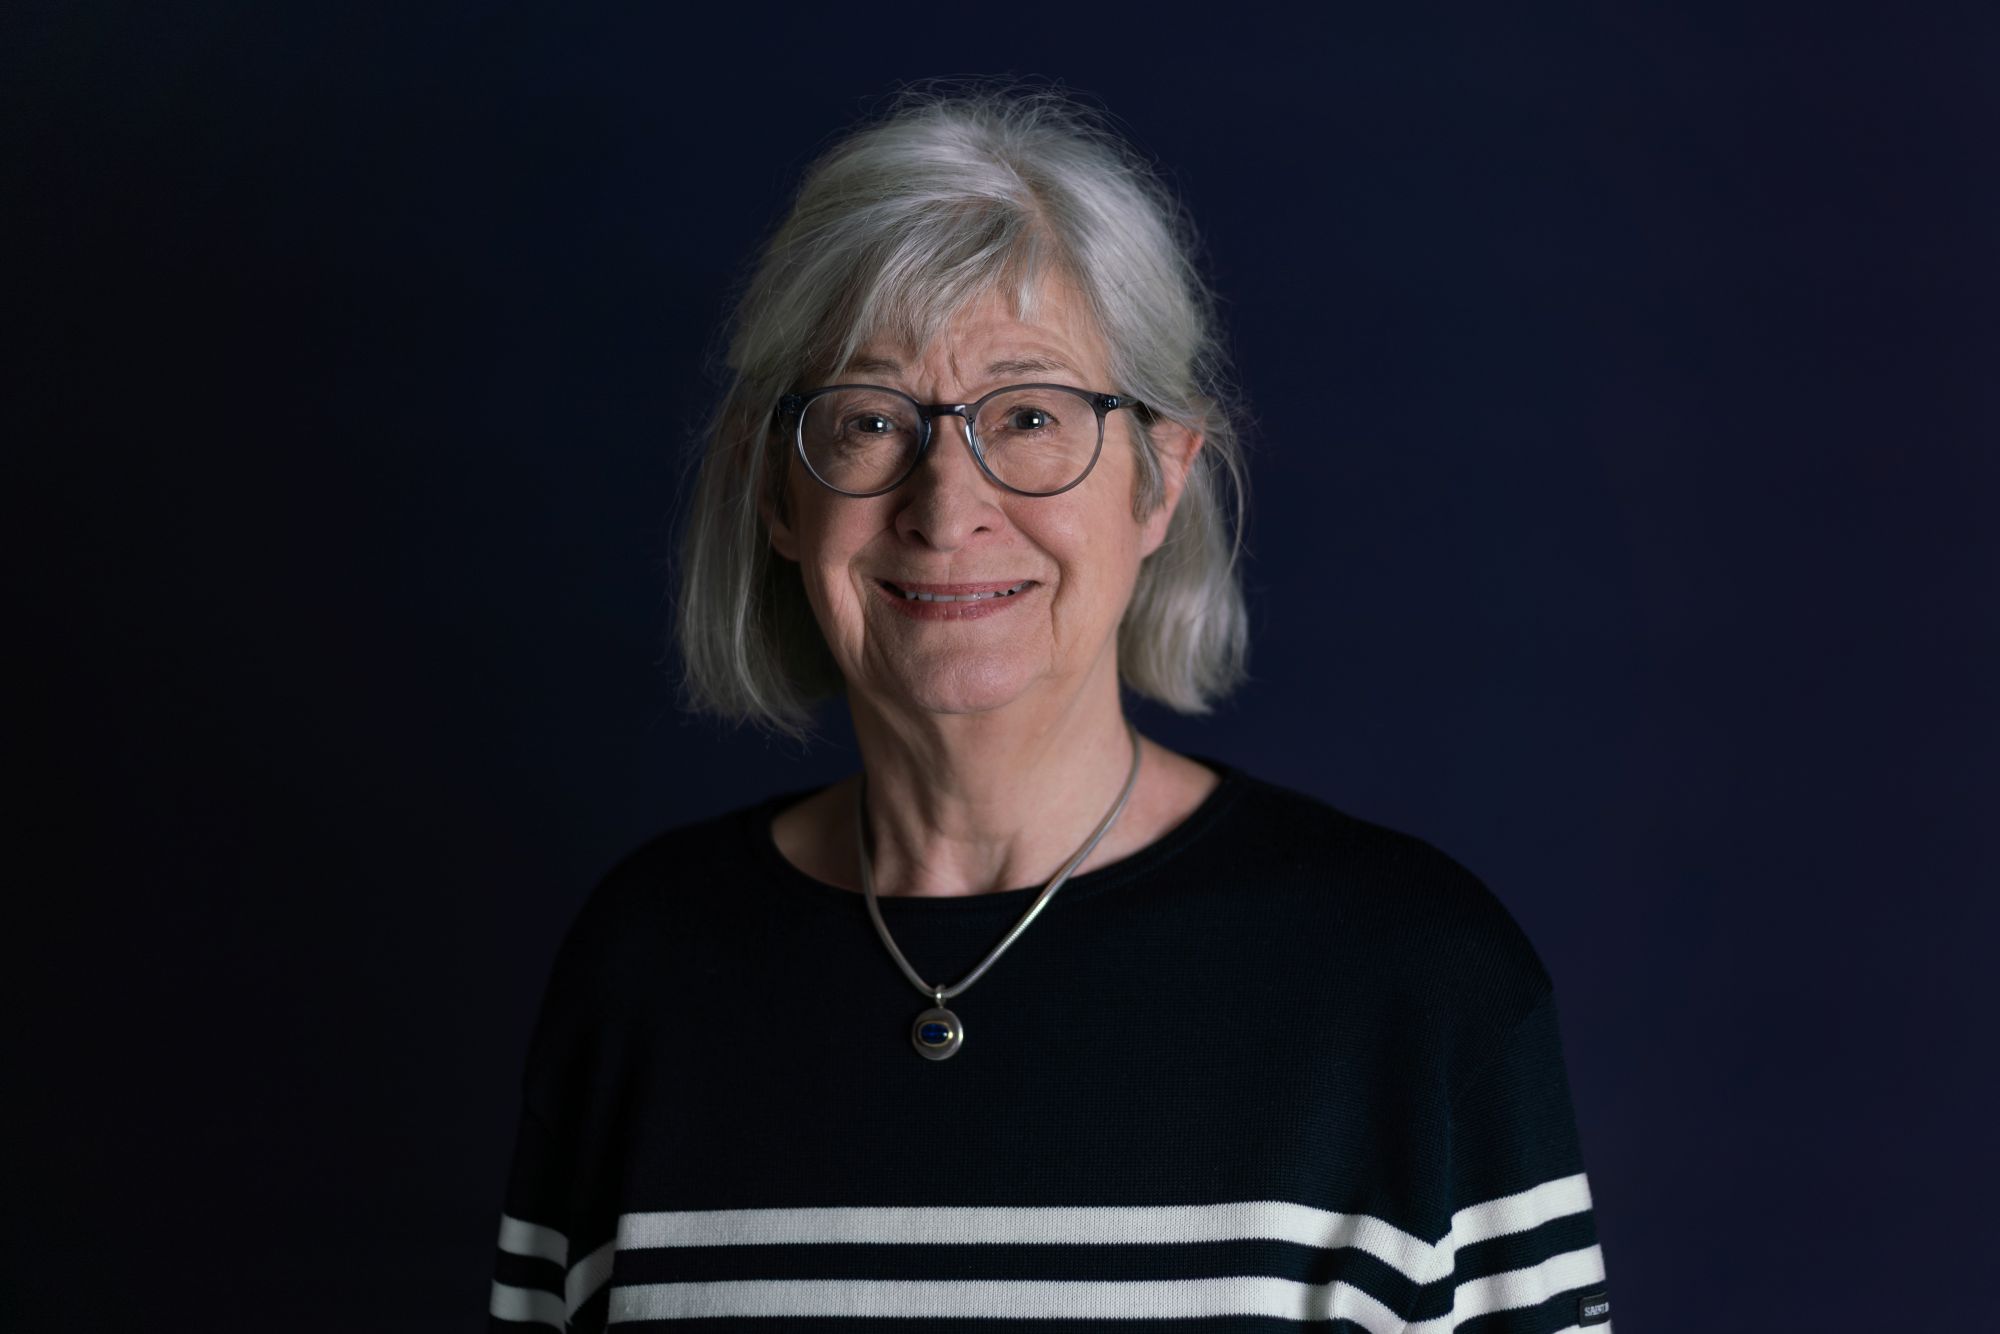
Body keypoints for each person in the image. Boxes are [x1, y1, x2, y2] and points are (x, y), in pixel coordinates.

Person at [487, 84, 1613, 1333]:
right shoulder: (642, 971)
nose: (944, 506)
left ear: (1159, 481)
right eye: (870, 420)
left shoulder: (1416, 986)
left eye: (1028, 416)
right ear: (776, 493)